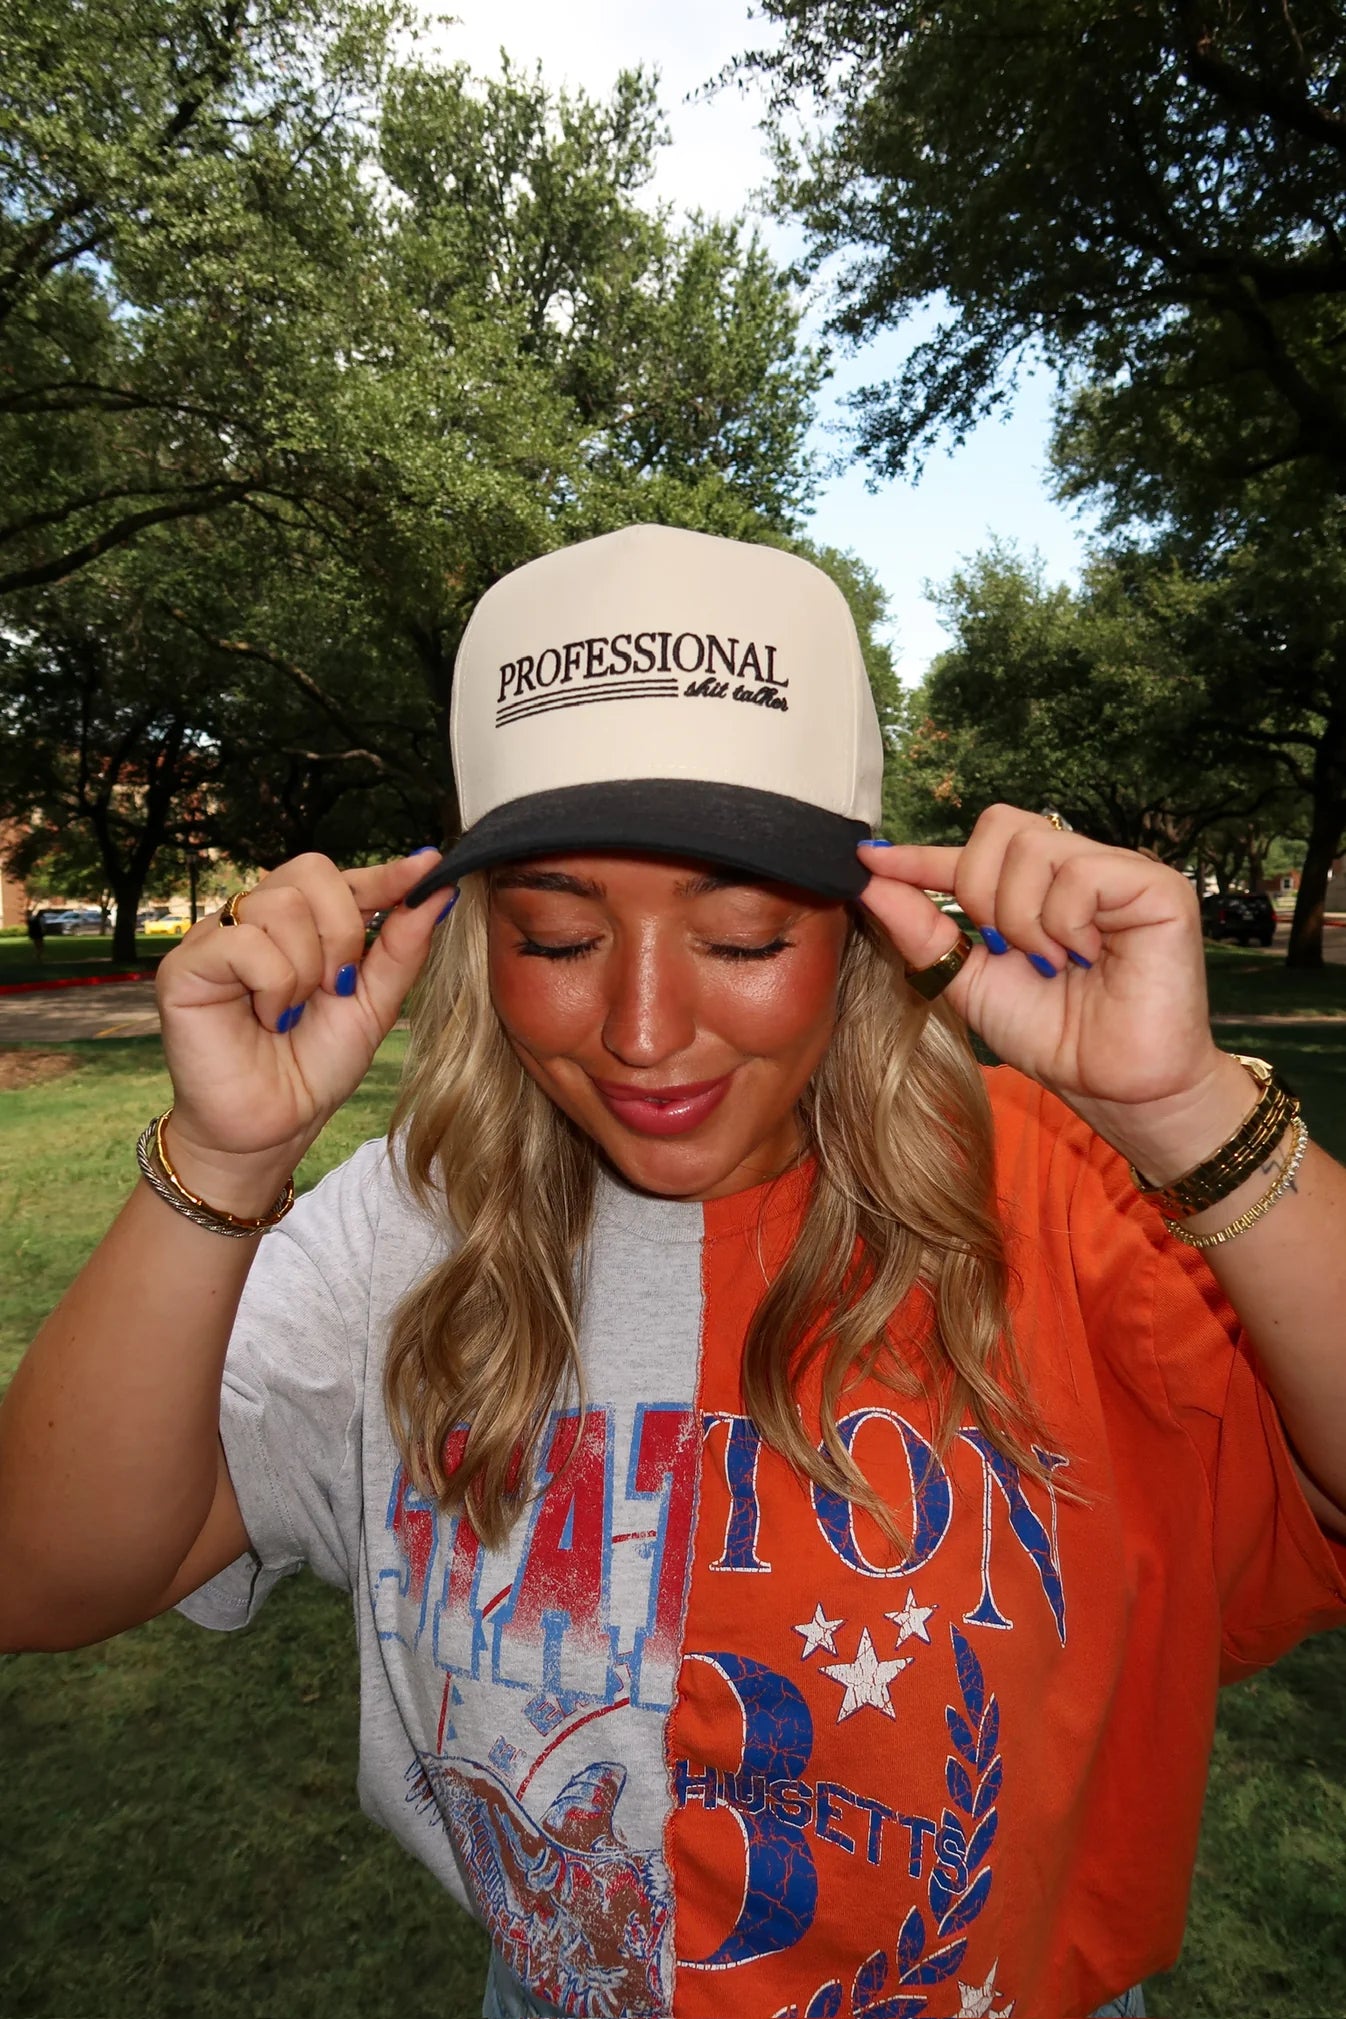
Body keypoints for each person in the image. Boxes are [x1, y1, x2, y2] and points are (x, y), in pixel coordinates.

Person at [1, 525, 1343, 2019]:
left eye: (742, 932)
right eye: (562, 935)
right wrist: (224, 1158)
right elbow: (39, 1576)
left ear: (859, 925)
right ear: (475, 936)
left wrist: (1183, 1116)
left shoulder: (1067, 1195)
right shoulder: (406, 1228)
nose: (644, 1029)